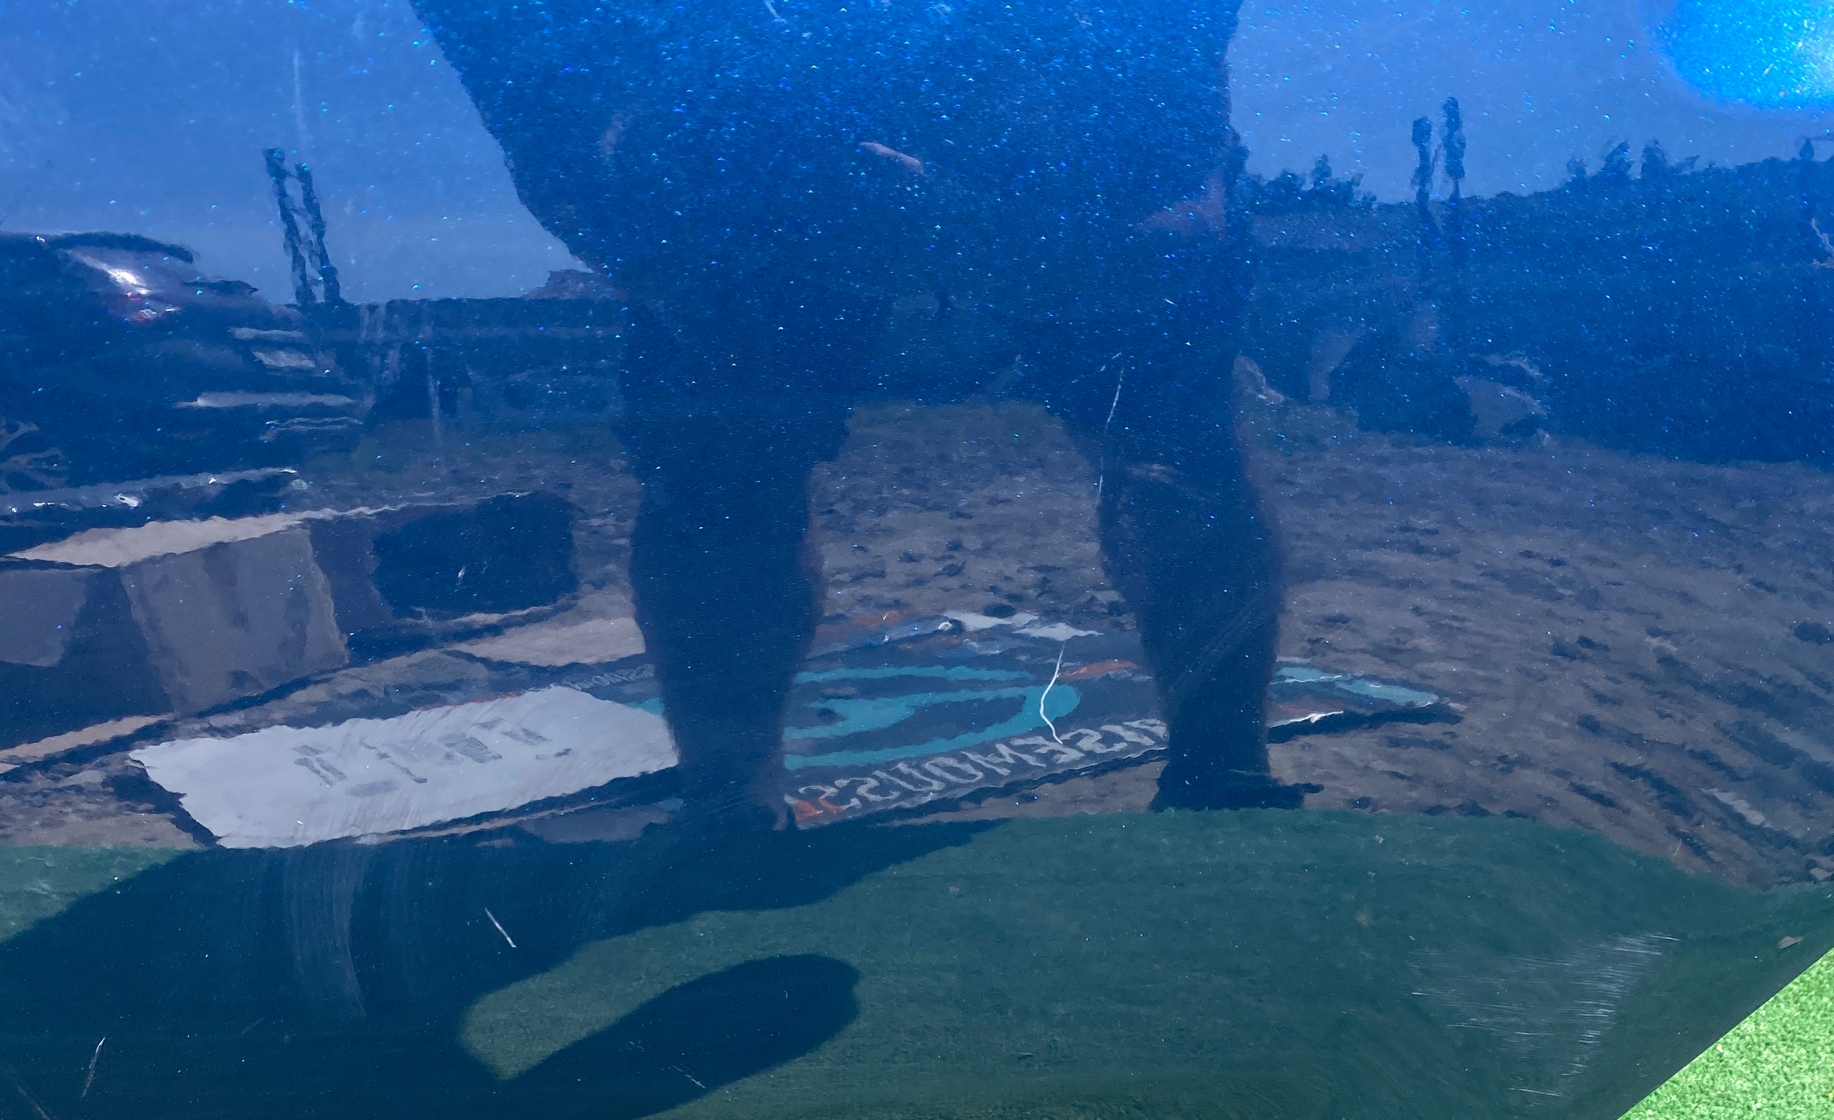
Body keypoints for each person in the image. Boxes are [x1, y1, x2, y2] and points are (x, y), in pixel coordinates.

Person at [414, 0, 1292, 840]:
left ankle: (1222, 770)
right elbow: (553, 135)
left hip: (1065, 128)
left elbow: (1177, 196)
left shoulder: (1112, 67)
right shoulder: (602, 69)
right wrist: (655, 241)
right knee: (719, 452)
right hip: (745, 149)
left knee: (1170, 428)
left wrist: (1131, 208)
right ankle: (729, 804)